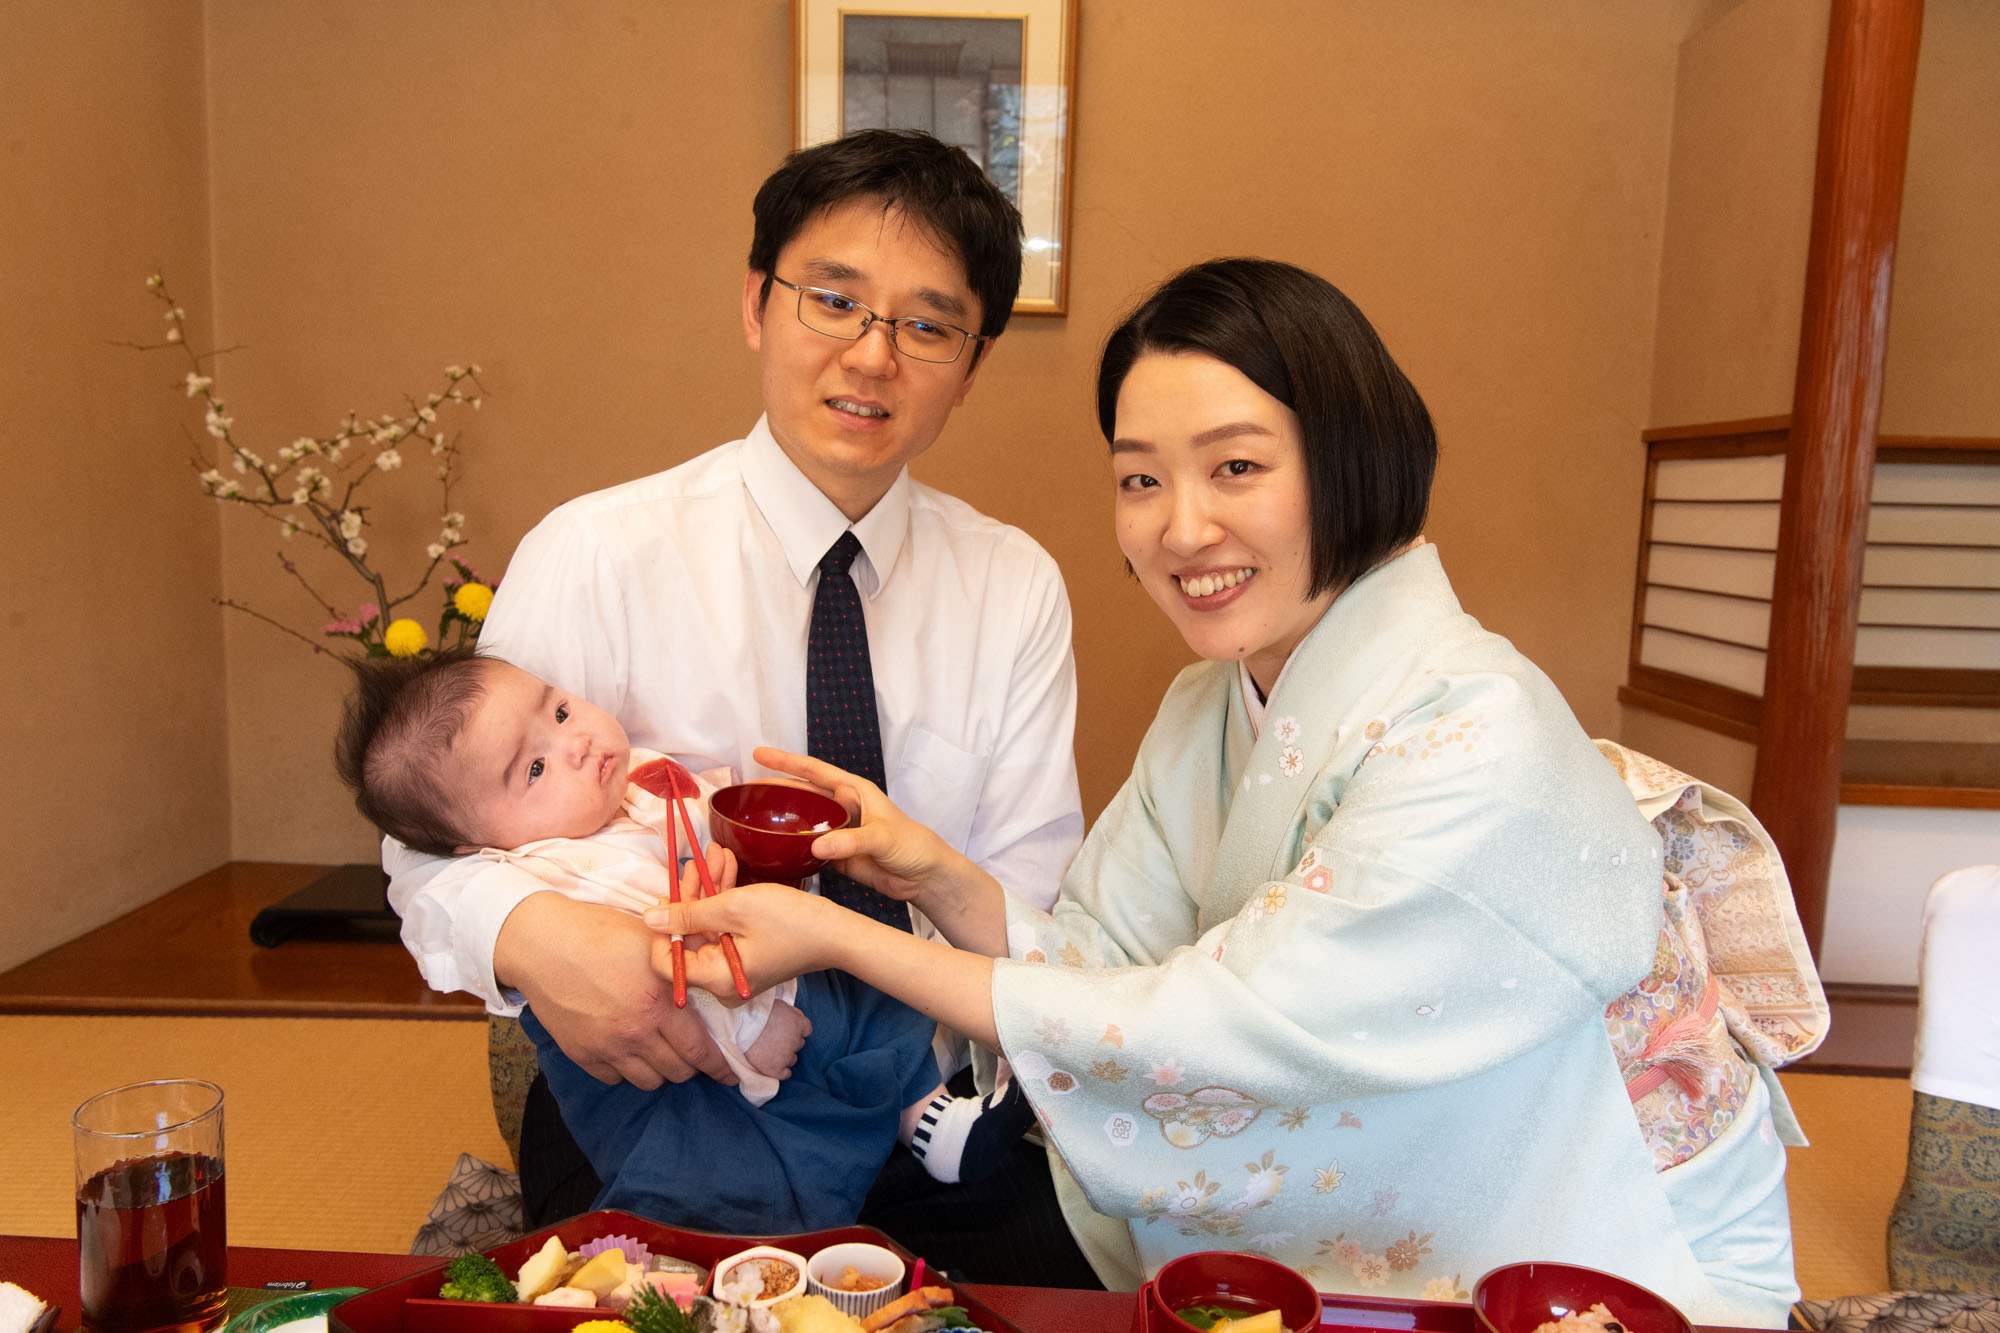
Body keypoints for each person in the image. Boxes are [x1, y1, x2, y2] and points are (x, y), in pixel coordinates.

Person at [661, 259, 1822, 1326]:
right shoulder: (1204, 709)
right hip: (1364, 1169)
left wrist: (840, 940)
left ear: (1348, 456)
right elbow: (1109, 965)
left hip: (1578, 1235)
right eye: (1138, 478)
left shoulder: (1480, 732)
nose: (1181, 527)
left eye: (1235, 467)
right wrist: (936, 875)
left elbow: (1227, 1026)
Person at [383, 130, 1094, 1282]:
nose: (872, 357)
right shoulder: (597, 549)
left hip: (922, 1095)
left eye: (926, 325)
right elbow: (429, 845)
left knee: (1060, 1292)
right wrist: (536, 937)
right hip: (667, 1087)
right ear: (757, 304)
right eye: (833, 300)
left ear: (971, 361)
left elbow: (1024, 894)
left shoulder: (1013, 585)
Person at [336, 648, 1038, 1231]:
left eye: (558, 709)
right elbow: (657, 979)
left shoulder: (636, 780)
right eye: (535, 769)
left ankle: (930, 1118)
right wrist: (750, 1036)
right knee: (713, 1179)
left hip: (785, 966)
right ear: (478, 845)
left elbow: (705, 823)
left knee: (880, 996)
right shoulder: (562, 871)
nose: (576, 740)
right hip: (679, 1062)